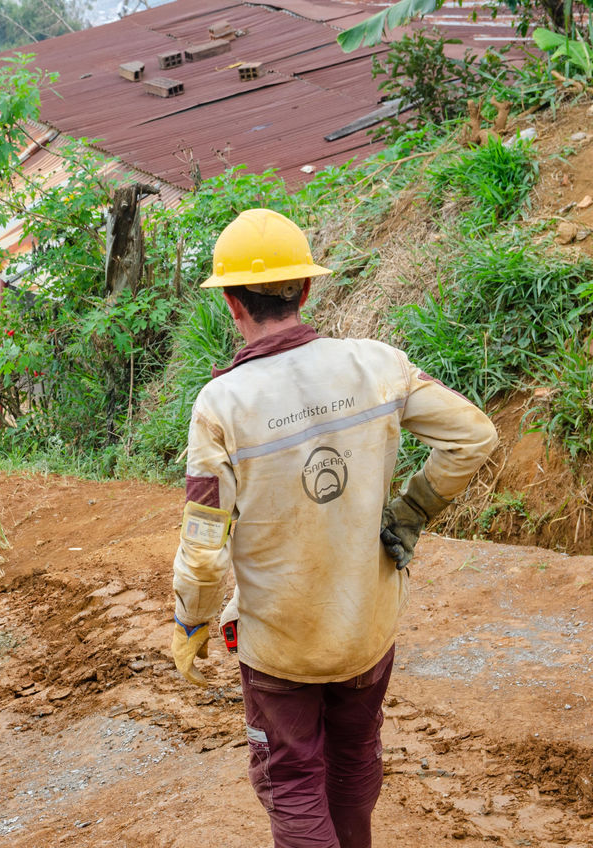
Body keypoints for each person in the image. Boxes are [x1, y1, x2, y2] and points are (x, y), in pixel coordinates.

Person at [169, 209, 497, 847]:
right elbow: (473, 436)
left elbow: (205, 548)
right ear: (306, 290)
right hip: (365, 630)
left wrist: (192, 620)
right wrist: (413, 509)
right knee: (353, 765)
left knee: (292, 782)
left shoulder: (223, 404)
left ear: (232, 303)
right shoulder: (377, 365)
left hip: (281, 644)